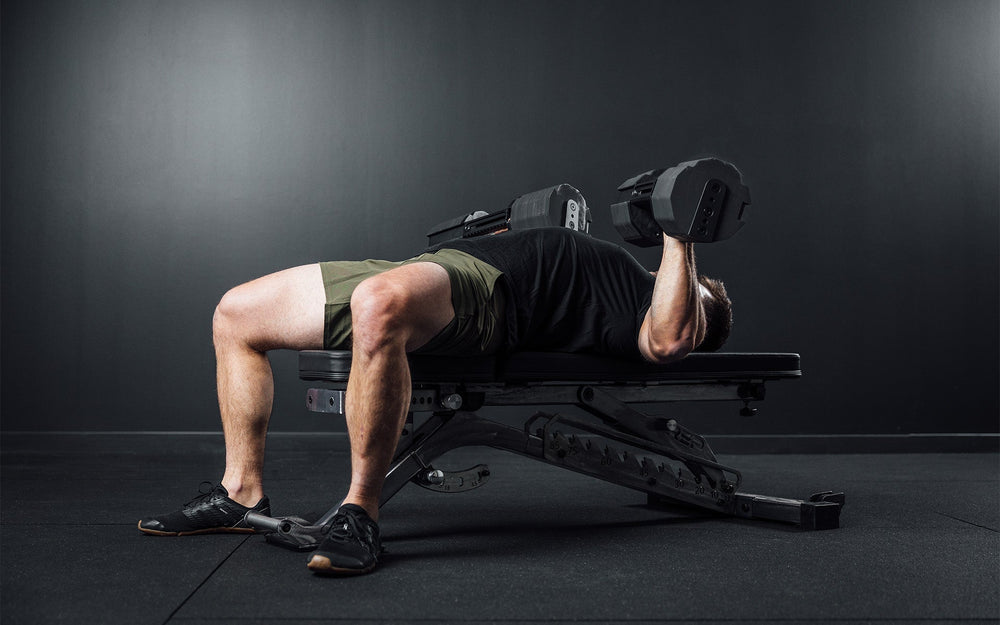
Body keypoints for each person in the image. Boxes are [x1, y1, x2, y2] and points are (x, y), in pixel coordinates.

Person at [138, 226, 733, 575]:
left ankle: (360, 513)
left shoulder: (682, 306)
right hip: (436, 267)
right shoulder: (625, 269)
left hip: (489, 296)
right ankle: (239, 493)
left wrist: (679, 235)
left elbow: (672, 338)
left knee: (378, 305)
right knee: (234, 313)